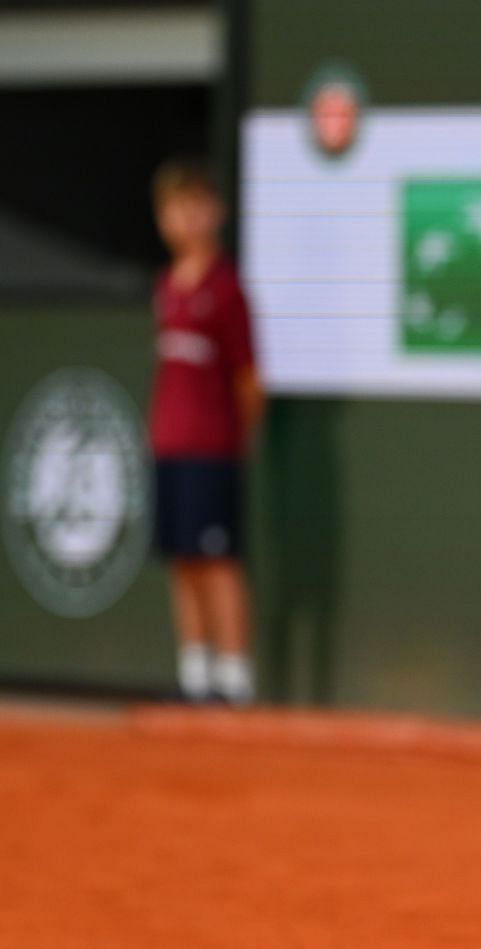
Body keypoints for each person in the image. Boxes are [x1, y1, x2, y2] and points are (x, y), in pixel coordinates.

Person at [149, 159, 263, 704]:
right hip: (169, 443)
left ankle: (233, 675)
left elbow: (249, 380)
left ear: (215, 213)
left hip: (214, 446)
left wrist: (235, 440)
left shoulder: (226, 289)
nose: (186, 220)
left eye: (195, 207)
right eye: (174, 209)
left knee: (219, 560)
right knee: (181, 558)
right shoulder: (166, 287)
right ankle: (195, 674)